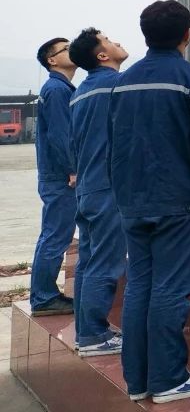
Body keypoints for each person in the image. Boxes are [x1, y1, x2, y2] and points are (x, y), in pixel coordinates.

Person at [109, 0, 190, 402]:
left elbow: (115, 143)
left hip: (133, 201)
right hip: (179, 202)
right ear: (187, 35)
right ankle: (168, 380)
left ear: (145, 34)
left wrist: (122, 195)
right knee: (171, 290)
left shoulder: (123, 82)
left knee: (139, 286)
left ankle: (138, 380)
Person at [68, 28, 129, 356]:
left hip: (88, 187)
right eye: (108, 40)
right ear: (102, 55)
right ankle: (93, 335)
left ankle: (86, 331)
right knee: (106, 262)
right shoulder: (118, 85)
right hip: (109, 187)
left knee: (88, 261)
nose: (116, 41)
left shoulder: (80, 92)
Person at [30, 36, 78, 317]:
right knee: (56, 236)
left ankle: (43, 295)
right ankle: (44, 297)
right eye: (66, 49)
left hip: (54, 174)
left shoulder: (57, 87)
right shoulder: (58, 89)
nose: (72, 51)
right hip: (60, 176)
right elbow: (61, 134)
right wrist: (73, 168)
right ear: (52, 60)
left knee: (52, 234)